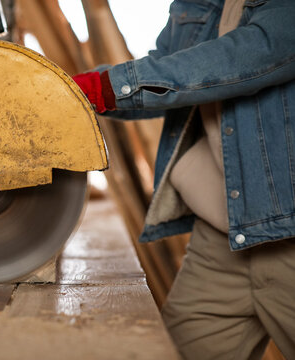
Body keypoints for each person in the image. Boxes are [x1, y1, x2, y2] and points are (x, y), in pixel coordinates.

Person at [72, 0, 295, 359]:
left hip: (288, 237)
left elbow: (245, 57)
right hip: (220, 242)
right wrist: (69, 93)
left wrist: (105, 87)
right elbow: (166, 75)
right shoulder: (201, 4)